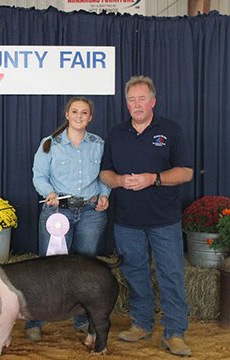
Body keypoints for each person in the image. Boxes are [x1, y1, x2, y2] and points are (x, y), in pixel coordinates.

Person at [100, 76, 193, 357]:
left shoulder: (171, 131)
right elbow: (105, 172)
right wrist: (118, 181)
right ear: (126, 103)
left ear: (153, 101)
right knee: (135, 274)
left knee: (171, 275)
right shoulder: (116, 134)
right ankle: (141, 323)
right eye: (131, 99)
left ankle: (175, 332)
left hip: (164, 220)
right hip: (127, 221)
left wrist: (154, 178)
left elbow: (186, 172)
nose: (137, 104)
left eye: (142, 99)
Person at [27, 96, 110, 341]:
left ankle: (82, 320)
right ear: (67, 114)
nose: (79, 116)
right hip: (58, 211)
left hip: (90, 212)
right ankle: (35, 320)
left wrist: (105, 195)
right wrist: (49, 193)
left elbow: (106, 175)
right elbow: (38, 176)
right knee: (47, 268)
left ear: (90, 117)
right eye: (75, 111)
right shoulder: (49, 144)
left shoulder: (99, 144)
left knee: (86, 269)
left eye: (84, 113)